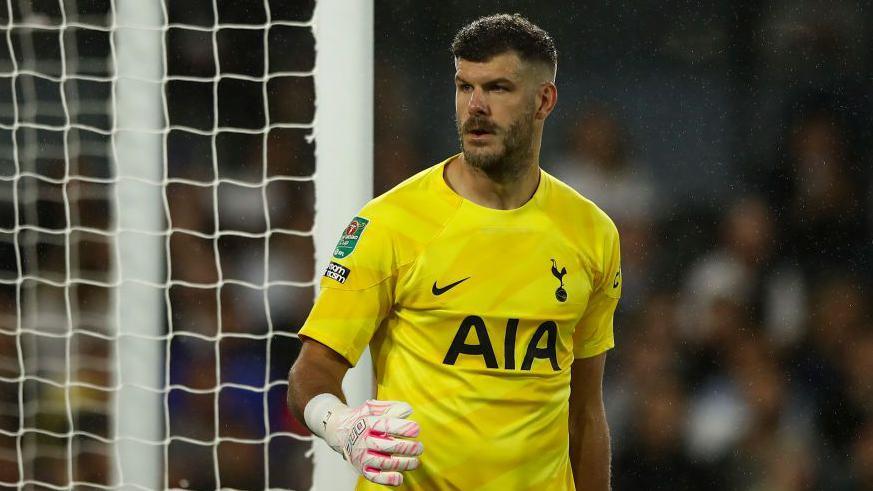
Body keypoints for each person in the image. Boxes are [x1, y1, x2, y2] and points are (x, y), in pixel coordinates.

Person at [288, 13, 621, 490]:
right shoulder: (389, 224)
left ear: (544, 100)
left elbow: (585, 413)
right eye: (465, 87)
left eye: (499, 88)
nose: (476, 107)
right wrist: (339, 424)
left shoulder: (592, 234)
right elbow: (311, 371)